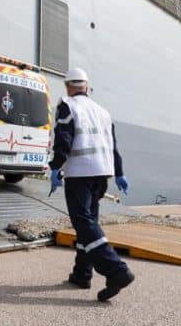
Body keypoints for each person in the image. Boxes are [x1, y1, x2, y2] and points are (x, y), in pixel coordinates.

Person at [48, 67, 135, 302]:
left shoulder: (67, 105)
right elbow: (113, 146)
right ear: (87, 86)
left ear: (68, 86)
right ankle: (82, 274)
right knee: (89, 223)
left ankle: (116, 270)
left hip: (79, 172)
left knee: (83, 222)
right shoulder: (103, 112)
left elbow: (63, 139)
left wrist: (55, 166)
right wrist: (119, 173)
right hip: (102, 174)